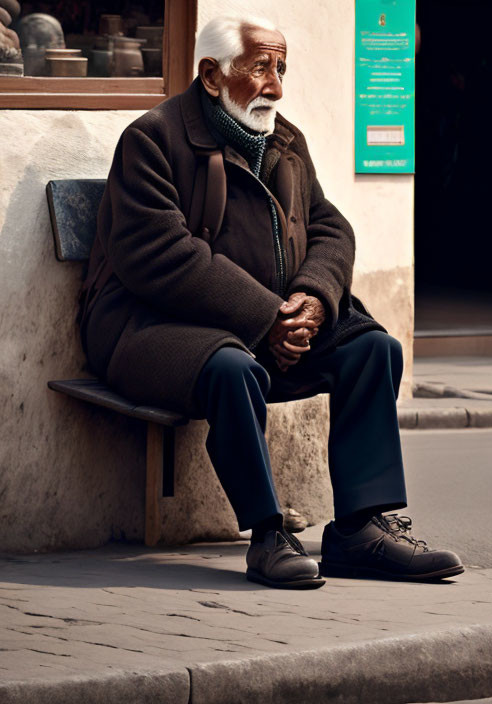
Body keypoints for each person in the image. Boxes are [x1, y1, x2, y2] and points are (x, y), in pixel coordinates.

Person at [79, 17, 463, 589]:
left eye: (280, 69)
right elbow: (162, 256)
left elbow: (332, 228)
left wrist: (311, 300)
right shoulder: (152, 140)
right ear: (211, 76)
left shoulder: (284, 142)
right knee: (232, 368)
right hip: (146, 328)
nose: (276, 87)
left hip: (265, 328)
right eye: (260, 68)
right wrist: (268, 318)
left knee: (372, 349)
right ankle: (266, 535)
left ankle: (362, 529)